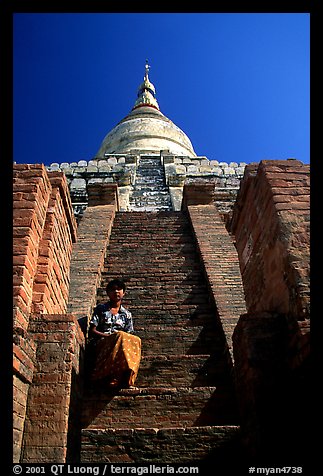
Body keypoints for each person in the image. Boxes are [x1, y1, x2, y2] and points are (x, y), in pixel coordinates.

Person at [89, 279, 141, 389]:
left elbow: (129, 335)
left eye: (119, 289)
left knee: (136, 340)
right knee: (120, 336)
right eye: (113, 289)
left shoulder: (126, 314)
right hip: (102, 342)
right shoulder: (101, 309)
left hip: (121, 343)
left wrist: (117, 338)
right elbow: (92, 330)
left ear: (123, 293)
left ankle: (126, 376)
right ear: (108, 293)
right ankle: (112, 376)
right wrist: (110, 337)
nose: (116, 291)